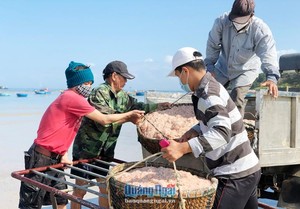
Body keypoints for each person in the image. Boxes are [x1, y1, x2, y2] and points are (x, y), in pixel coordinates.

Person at [18, 61, 144, 209]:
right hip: (41, 156)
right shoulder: (72, 98)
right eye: (87, 83)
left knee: (61, 199)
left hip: (55, 156)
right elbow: (104, 119)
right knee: (31, 204)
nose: (89, 87)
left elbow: (59, 130)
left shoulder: (73, 99)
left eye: (91, 83)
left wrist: (63, 154)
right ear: (78, 83)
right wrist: (129, 116)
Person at [163, 47, 261, 209]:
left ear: (185, 71)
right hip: (249, 169)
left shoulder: (208, 95)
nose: (180, 81)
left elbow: (222, 133)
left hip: (234, 174)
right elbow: (217, 121)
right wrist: (195, 130)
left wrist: (183, 148)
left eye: (178, 75)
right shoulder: (211, 87)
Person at [70, 60, 170, 209]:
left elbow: (137, 105)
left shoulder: (123, 96)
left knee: (105, 189)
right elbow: (105, 118)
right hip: (87, 151)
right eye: (124, 78)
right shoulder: (99, 92)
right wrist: (129, 117)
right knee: (80, 190)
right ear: (114, 76)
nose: (126, 82)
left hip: (105, 151)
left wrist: (158, 106)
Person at [205, 0, 280, 116]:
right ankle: (211, 121)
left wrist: (271, 77)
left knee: (236, 97)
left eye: (242, 20)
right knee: (208, 91)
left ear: (251, 15)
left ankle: (236, 131)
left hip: (246, 69)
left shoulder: (260, 29)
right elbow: (212, 45)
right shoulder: (220, 22)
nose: (237, 23)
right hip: (224, 66)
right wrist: (209, 67)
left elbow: (268, 53)